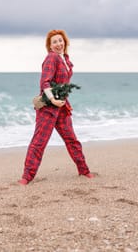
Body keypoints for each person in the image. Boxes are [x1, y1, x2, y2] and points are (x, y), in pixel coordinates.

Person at [18, 29, 94, 185]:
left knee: (71, 140)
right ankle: (26, 177)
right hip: (48, 107)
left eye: (60, 40)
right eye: (55, 42)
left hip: (62, 107)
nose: (58, 44)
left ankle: (84, 170)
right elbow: (44, 82)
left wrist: (61, 100)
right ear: (50, 46)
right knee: (39, 143)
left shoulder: (64, 58)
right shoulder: (51, 58)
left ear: (65, 41)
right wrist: (53, 99)